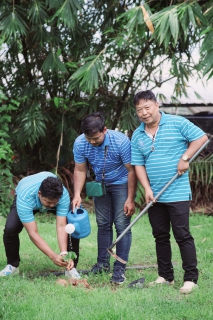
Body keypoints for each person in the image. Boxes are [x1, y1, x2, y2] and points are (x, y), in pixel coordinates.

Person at [131, 90, 208, 294]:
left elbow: (201, 138)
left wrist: (185, 158)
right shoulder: (137, 134)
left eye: (147, 107)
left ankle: (191, 278)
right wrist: (146, 189)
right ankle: (166, 276)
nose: (144, 113)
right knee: (160, 236)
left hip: (177, 191)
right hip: (154, 194)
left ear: (157, 105)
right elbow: (138, 164)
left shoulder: (177, 123)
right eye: (139, 110)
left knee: (182, 235)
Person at [72, 112, 137, 284]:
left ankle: (120, 268)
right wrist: (77, 194)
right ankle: (102, 264)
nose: (92, 142)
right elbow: (79, 169)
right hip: (100, 184)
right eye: (89, 138)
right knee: (103, 223)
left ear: (105, 130)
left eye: (96, 138)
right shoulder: (80, 143)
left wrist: (130, 198)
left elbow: (132, 170)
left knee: (122, 224)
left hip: (121, 182)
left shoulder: (121, 141)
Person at [0, 172, 75, 277]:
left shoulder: (62, 195)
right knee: (10, 229)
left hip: (48, 195)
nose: (52, 205)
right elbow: (33, 232)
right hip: (27, 195)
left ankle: (71, 266)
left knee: (71, 225)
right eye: (48, 203)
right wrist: (52, 255)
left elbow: (62, 226)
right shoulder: (25, 197)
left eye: (55, 203)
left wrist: (63, 253)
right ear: (39, 194)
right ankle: (12, 265)